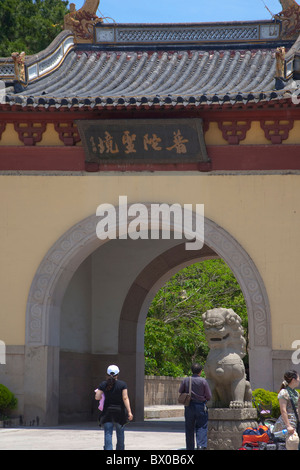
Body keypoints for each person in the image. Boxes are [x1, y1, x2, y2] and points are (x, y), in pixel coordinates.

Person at [95, 365, 133, 450]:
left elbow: (97, 397)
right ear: (118, 374)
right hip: (120, 413)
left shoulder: (103, 384)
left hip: (107, 413)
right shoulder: (122, 384)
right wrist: (129, 412)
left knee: (108, 433)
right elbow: (125, 398)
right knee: (120, 434)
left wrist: (100, 394)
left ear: (107, 374)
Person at [179, 363, 212, 450]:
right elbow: (209, 396)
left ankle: (190, 447)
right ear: (200, 372)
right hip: (201, 406)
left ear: (192, 370)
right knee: (201, 426)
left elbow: (180, 390)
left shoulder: (186, 380)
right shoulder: (203, 381)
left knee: (189, 427)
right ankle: (200, 446)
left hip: (189, 406)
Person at [273, 369, 300, 450]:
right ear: (293, 380)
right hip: (287, 424)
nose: (299, 380)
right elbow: (283, 410)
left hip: (295, 422)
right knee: (292, 443)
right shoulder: (284, 392)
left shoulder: (296, 393)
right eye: (298, 377)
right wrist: (288, 426)